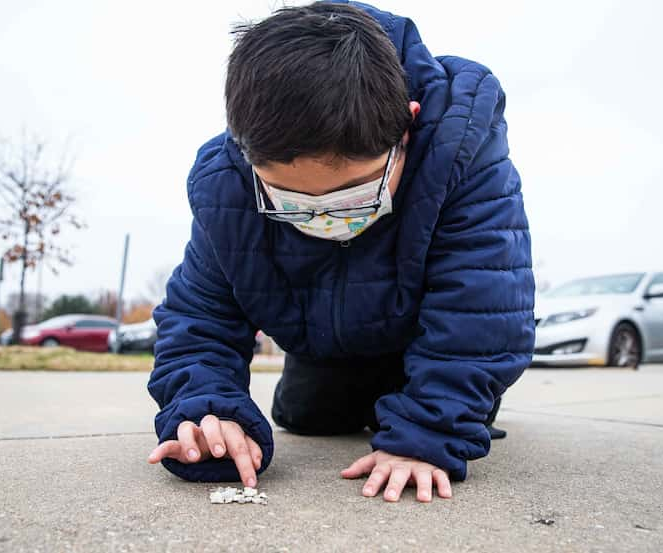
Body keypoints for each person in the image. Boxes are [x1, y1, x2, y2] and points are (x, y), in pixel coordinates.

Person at [146, 0, 535, 503]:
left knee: (448, 407)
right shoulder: (228, 185)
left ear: (407, 129)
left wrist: (429, 433)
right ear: (248, 158)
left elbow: (485, 301)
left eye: (352, 195)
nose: (322, 216)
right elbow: (200, 314)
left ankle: (435, 398)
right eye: (290, 202)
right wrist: (205, 410)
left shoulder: (463, 148)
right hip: (327, 339)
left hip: (432, 331)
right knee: (308, 417)